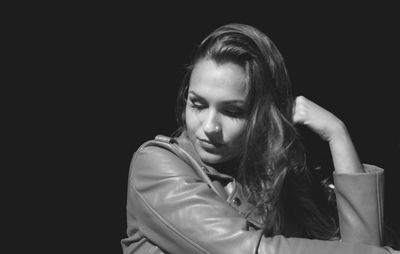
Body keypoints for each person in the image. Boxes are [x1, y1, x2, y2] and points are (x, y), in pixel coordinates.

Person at [121, 23, 399, 253]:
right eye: (197, 104)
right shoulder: (156, 165)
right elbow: (248, 251)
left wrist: (337, 134)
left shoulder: (275, 179)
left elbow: (364, 246)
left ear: (263, 114)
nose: (209, 126)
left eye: (232, 111)